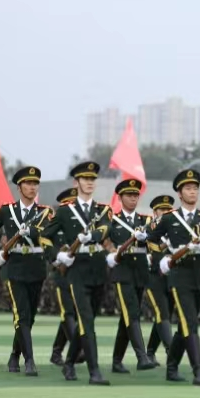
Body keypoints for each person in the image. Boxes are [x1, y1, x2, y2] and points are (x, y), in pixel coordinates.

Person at [145, 170, 200, 386]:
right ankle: (198, 371)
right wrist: (161, 259)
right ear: (179, 193)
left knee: (186, 324)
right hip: (179, 274)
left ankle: (171, 366)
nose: (192, 192)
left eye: (195, 188)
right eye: (188, 188)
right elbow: (151, 240)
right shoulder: (169, 218)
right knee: (191, 323)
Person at [41, 161, 113, 385]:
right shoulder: (64, 211)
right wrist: (57, 256)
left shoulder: (102, 210)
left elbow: (105, 228)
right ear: (76, 182)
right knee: (87, 322)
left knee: (86, 322)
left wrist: (92, 236)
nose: (90, 182)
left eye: (92, 179)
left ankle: (70, 362)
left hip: (98, 268)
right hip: (77, 270)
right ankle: (94, 371)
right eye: (85, 179)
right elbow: (44, 237)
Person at [0, 166, 55, 377]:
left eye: (35, 183)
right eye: (28, 183)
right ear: (19, 187)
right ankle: (29, 360)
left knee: (30, 317)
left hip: (36, 266)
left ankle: (15, 354)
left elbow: (48, 234)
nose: (32, 187)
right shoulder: (7, 211)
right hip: (14, 267)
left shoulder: (44, 212)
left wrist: (31, 231)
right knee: (21, 314)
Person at [105, 179, 157, 373]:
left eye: (136, 195)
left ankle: (117, 361)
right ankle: (142, 357)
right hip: (122, 271)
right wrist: (109, 253)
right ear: (120, 198)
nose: (133, 198)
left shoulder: (146, 221)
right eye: (129, 195)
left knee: (128, 316)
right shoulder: (113, 221)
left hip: (140, 271)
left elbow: (155, 241)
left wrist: (147, 238)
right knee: (132, 313)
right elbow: (103, 241)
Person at [49, 187, 82, 367]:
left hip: (78, 272)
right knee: (67, 311)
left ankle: (56, 352)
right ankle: (78, 350)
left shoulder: (81, 223)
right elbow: (47, 244)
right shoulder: (55, 223)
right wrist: (57, 259)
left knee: (74, 313)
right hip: (62, 274)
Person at [144, 195, 177, 366]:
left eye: (168, 210)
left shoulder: (176, 228)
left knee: (165, 315)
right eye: (161, 210)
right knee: (162, 312)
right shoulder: (147, 228)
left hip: (171, 276)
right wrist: (166, 244)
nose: (165, 212)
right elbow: (148, 249)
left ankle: (150, 352)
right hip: (153, 276)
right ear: (154, 212)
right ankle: (171, 352)